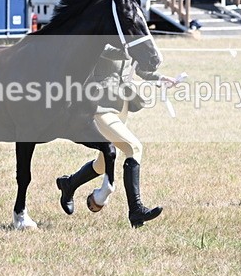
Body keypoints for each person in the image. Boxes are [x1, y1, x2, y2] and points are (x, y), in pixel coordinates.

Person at [56, 44, 177, 227]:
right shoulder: (102, 32)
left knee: (103, 163)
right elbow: (106, 50)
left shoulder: (127, 38)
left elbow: (133, 65)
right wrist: (133, 48)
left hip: (121, 104)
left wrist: (159, 78)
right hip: (99, 105)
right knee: (134, 148)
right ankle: (136, 210)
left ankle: (69, 184)